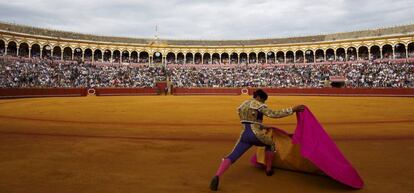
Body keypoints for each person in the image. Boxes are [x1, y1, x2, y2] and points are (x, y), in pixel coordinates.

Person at [209, 89, 305, 191]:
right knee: (271, 144)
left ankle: (217, 175)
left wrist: (263, 126)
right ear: (259, 97)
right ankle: (268, 169)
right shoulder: (258, 104)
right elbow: (273, 114)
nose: (263, 103)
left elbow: (250, 121)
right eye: (263, 100)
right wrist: (292, 110)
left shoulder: (243, 105)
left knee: (232, 156)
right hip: (256, 135)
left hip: (244, 135)